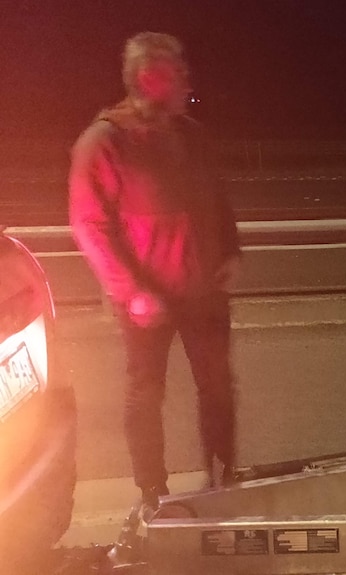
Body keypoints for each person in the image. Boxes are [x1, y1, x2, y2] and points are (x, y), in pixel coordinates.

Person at [68, 32, 241, 510]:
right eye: (177, 71)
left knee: (219, 387)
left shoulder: (193, 135)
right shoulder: (104, 142)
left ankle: (223, 476)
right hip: (147, 303)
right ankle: (152, 493)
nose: (187, 79)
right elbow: (89, 226)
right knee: (146, 395)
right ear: (149, 77)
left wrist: (230, 251)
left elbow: (217, 199)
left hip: (204, 291)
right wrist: (132, 292)